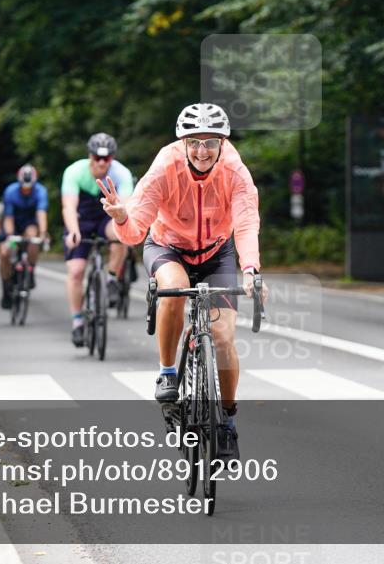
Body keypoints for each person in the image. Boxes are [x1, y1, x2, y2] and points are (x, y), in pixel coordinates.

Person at [97, 103, 265, 460]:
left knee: (222, 336)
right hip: (168, 246)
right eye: (193, 142)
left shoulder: (235, 171)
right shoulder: (165, 165)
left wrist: (250, 269)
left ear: (223, 142)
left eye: (210, 142)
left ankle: (228, 422)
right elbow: (135, 230)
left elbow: (247, 224)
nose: (201, 151)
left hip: (217, 252)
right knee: (172, 288)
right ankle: (167, 372)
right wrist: (123, 216)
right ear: (183, 142)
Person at [61, 133, 134, 346]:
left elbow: (125, 208)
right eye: (97, 157)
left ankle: (111, 278)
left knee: (120, 235)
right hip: (81, 217)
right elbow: (69, 207)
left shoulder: (121, 173)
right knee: (75, 271)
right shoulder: (74, 171)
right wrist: (73, 232)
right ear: (89, 155)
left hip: (107, 214)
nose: (102, 162)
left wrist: (125, 229)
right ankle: (77, 322)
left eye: (107, 158)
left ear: (112, 158)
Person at [0, 164, 49, 308]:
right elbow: (8, 217)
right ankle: (6, 289)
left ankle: (30, 270)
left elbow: (41, 213)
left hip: (30, 223)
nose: (26, 189)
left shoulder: (41, 191)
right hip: (13, 224)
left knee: (33, 238)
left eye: (29, 187)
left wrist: (43, 233)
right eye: (23, 186)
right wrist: (9, 236)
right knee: (5, 253)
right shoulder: (10, 191)